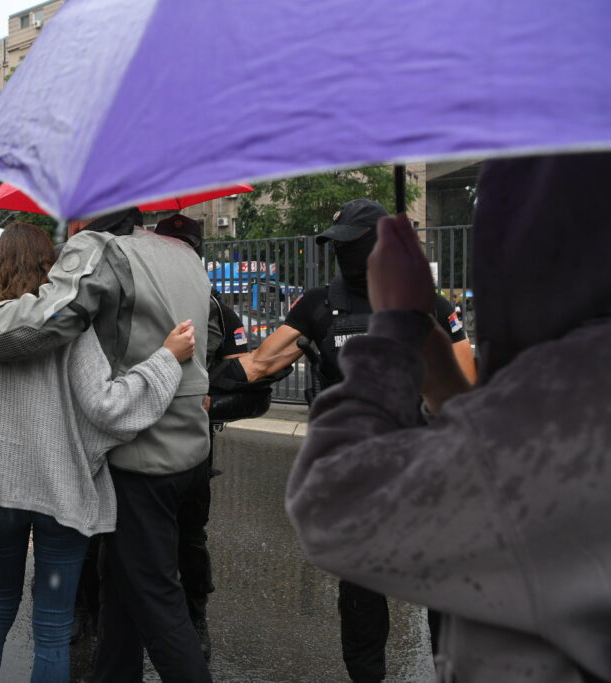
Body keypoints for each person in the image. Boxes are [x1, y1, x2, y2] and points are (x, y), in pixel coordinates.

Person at [286, 152, 611, 683]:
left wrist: (390, 332)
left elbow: (334, 505)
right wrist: (435, 366)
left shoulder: (556, 393)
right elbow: (471, 417)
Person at [0, 207, 214, 682]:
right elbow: (107, 409)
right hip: (63, 499)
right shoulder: (75, 334)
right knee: (51, 626)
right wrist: (166, 361)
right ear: (55, 266)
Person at [238, 198, 475, 683]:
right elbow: (261, 363)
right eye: (337, 244)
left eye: (351, 244)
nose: (342, 253)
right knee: (367, 597)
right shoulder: (322, 303)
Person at [154, 213, 251, 662]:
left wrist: (213, 402)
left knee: (190, 539)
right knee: (114, 538)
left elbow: (252, 388)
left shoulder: (217, 310)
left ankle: (196, 616)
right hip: (134, 436)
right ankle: (94, 613)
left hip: (194, 445)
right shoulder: (134, 300)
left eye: (184, 249)